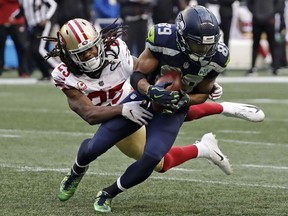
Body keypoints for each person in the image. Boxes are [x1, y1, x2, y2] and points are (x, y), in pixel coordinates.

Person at [44, 12, 264, 213]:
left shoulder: (116, 51)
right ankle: (204, 147)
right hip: (116, 111)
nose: (91, 54)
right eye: (81, 53)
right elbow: (90, 114)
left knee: (157, 144)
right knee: (109, 151)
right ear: (68, 55)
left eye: (92, 47)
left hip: (134, 102)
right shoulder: (64, 76)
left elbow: (143, 74)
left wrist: (201, 83)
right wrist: (124, 107)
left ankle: (224, 110)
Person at [9, 0, 59, 80]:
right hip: (33, 27)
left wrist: (47, 17)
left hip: (43, 24)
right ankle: (45, 73)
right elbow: (22, 9)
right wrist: (14, 16)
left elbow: (53, 4)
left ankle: (60, 69)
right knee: (33, 50)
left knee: (40, 49)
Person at [246, 0, 281, 76]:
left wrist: (272, 13)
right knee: (255, 45)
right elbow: (249, 3)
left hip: (269, 20)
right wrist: (255, 13)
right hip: (257, 20)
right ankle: (253, 67)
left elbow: (278, 3)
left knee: (272, 44)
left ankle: (275, 67)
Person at [0, 0, 30, 77]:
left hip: (17, 21)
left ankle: (23, 71)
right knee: (0, 47)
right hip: (2, 21)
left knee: (22, 47)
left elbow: (23, 5)